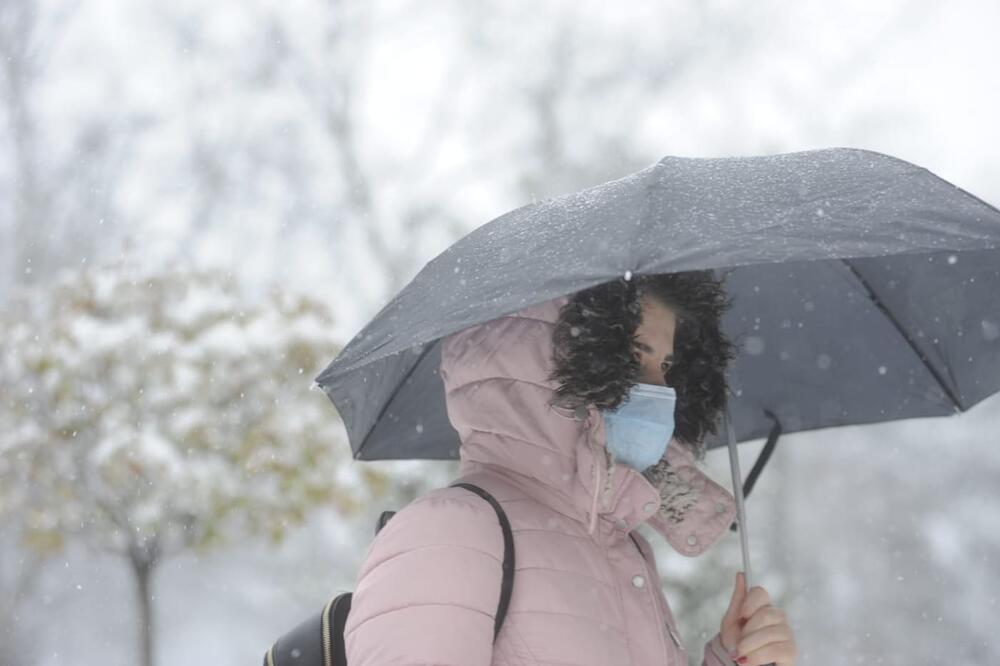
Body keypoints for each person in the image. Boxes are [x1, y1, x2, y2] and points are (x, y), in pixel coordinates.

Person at [344, 271, 798, 666]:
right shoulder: (449, 532)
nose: (662, 390)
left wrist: (736, 660)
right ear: (547, 363)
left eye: (667, 365)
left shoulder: (622, 548)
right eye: (636, 356)